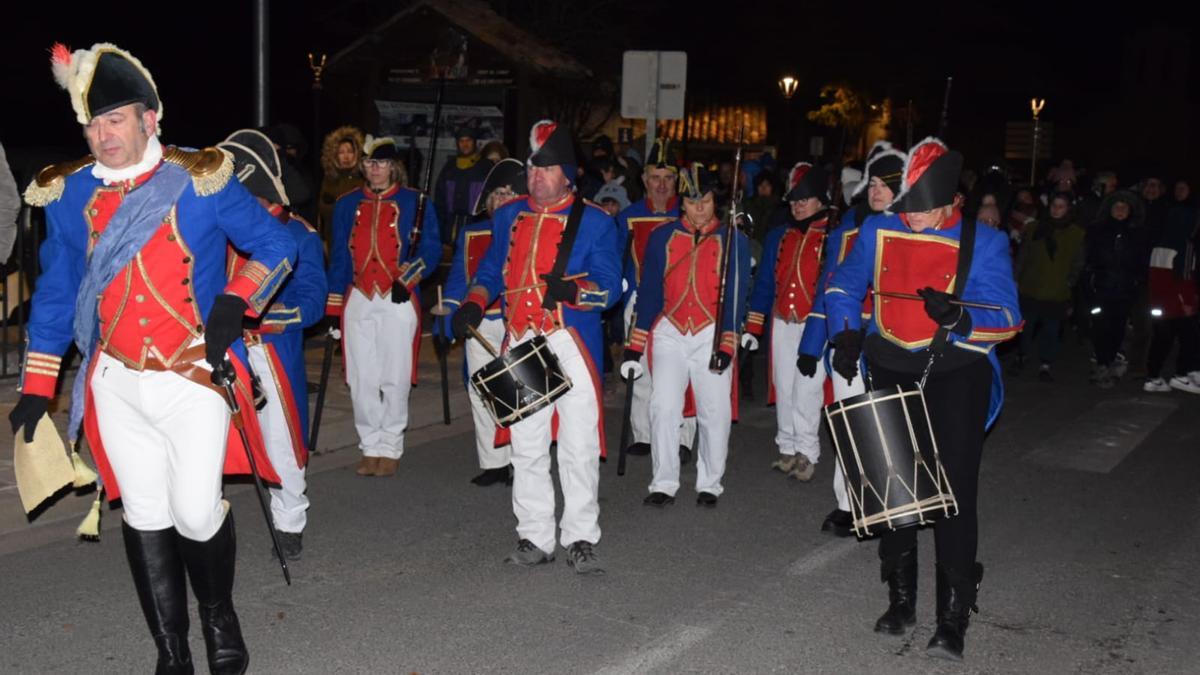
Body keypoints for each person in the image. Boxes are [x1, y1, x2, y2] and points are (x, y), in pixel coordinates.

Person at [11, 42, 297, 674]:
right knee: (143, 512)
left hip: (192, 373)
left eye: (114, 119)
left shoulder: (200, 178)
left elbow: (277, 243)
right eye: (92, 123)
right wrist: (37, 383)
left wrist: (236, 299)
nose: (102, 135)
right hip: (115, 378)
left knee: (195, 509)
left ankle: (218, 616)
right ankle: (171, 649)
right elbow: (57, 289)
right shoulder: (69, 192)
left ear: (150, 117)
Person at [825, 137, 1021, 661]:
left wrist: (961, 317)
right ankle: (901, 600)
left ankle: (952, 619)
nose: (909, 218)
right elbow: (843, 286)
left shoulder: (984, 241)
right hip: (890, 363)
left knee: (953, 495)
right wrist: (846, 333)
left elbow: (1008, 317)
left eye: (921, 209)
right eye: (905, 207)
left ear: (949, 201)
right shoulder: (876, 228)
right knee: (894, 489)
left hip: (956, 372)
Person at [451, 120, 621, 575]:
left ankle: (581, 537)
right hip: (522, 339)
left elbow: (611, 286)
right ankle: (534, 535)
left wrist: (576, 291)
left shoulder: (597, 221)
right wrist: (474, 302)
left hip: (570, 341)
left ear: (567, 173)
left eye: (545, 168)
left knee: (578, 445)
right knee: (527, 444)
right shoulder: (508, 215)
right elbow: (491, 269)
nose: (535, 176)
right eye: (531, 168)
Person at [218, 129, 327, 560]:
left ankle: (289, 520)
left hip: (269, 352)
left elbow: (313, 299)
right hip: (222, 349)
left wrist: (262, 318)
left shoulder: (300, 235)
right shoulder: (220, 235)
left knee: (279, 441)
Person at [620, 162, 750, 507]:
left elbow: (736, 297)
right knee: (663, 406)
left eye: (705, 202)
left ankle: (710, 483)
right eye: (692, 203)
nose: (699, 210)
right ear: (682, 203)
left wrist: (727, 342)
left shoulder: (734, 240)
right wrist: (635, 345)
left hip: (711, 331)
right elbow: (649, 292)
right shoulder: (662, 237)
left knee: (714, 411)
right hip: (670, 330)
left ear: (715, 202)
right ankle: (663, 482)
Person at [799, 140, 906, 535]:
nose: (877, 191)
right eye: (872, 183)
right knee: (851, 420)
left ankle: (895, 499)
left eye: (886, 185)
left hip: (896, 340)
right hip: (849, 339)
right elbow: (828, 288)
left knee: (892, 424)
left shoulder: (913, 228)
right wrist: (813, 343)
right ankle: (849, 502)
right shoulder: (847, 228)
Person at [326, 135, 441, 476]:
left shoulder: (415, 202)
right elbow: (338, 258)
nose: (375, 169)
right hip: (358, 296)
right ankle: (369, 444)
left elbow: (432, 248)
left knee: (395, 374)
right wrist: (334, 307)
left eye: (381, 163)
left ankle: (390, 445)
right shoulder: (346, 204)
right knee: (361, 377)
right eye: (369, 163)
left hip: (397, 296)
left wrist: (410, 277)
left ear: (393, 167)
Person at [437, 158, 526, 486]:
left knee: (519, 392)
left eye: (509, 193)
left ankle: (522, 460)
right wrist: (446, 319)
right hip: (478, 323)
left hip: (515, 322)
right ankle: (494, 462)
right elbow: (459, 280)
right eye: (497, 194)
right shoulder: (471, 233)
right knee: (481, 391)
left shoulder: (528, 230)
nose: (502, 199)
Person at [743, 162, 831, 481]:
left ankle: (807, 452)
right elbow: (765, 283)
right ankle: (788, 446)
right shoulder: (778, 236)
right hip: (782, 321)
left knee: (807, 389)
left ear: (820, 200)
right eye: (793, 200)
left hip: (816, 324)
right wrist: (754, 326)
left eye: (804, 199)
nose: (797, 206)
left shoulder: (832, 236)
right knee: (783, 385)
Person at [617, 139, 695, 460]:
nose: (661, 185)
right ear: (644, 180)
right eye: (655, 178)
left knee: (683, 372)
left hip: (681, 301)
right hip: (640, 300)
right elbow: (618, 260)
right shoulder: (629, 217)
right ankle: (644, 434)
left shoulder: (688, 213)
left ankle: (683, 438)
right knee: (640, 370)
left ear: (676, 181)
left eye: (668, 178)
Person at [1012, 192, 1085, 381]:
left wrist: (1069, 282)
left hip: (1056, 290)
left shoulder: (1076, 234)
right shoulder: (1035, 228)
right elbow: (1023, 256)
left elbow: (1078, 262)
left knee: (1051, 329)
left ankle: (1046, 363)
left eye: (1061, 206)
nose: (1056, 210)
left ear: (1068, 209)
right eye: (1054, 205)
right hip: (1031, 287)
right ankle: (1022, 355)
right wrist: (1016, 279)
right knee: (1026, 326)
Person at [1083, 190, 1146, 388]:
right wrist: (1088, 281)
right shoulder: (1097, 231)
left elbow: (1140, 262)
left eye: (1124, 207)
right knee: (1099, 326)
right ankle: (1101, 363)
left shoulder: (1136, 234)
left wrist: (1136, 281)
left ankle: (1110, 361)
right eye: (1116, 206)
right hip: (1101, 287)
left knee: (1118, 328)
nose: (1120, 210)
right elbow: (1087, 257)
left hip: (1124, 289)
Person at [1143, 184, 1200, 393]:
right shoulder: (1185, 245)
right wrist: (1188, 302)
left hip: (1160, 301)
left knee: (1162, 340)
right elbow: (1184, 278)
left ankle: (1154, 377)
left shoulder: (1160, 243)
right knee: (1190, 337)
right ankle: (1182, 375)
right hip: (1177, 302)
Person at [435, 125, 492, 246]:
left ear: (474, 142)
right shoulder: (449, 167)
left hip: (476, 227)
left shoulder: (485, 167)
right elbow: (440, 200)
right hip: (450, 229)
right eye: (461, 141)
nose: (465, 144)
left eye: (468, 140)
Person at [318, 126, 365, 242]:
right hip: (333, 238)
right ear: (334, 155)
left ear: (357, 153)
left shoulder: (364, 179)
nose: (346, 156)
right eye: (341, 152)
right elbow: (322, 212)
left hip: (358, 237)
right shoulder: (329, 179)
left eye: (350, 151)